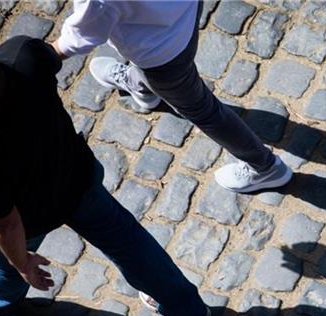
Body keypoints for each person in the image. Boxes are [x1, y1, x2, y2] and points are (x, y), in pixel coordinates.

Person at [0, 32, 211, 316]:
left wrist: (23, 264)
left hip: (28, 217)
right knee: (132, 246)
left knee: (3, 262)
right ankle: (188, 308)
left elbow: (3, 223)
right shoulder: (23, 54)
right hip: (77, 179)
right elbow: (54, 53)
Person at [52, 0, 293, 193]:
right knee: (167, 77)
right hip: (183, 14)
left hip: (160, 56)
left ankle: (265, 167)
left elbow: (80, 37)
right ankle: (142, 86)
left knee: (204, 111)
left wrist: (36, 56)